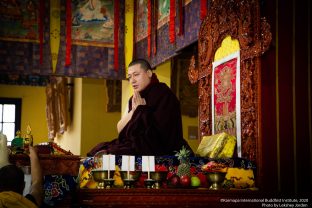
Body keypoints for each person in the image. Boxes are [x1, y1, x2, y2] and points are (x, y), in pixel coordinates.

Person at [87, 58, 192, 156]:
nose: (132, 80)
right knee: (98, 149)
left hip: (157, 146)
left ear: (149, 73)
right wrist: (134, 111)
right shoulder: (134, 98)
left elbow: (163, 133)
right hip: (135, 143)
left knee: (113, 153)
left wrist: (142, 110)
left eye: (136, 75)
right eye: (129, 77)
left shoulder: (164, 94)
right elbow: (120, 129)